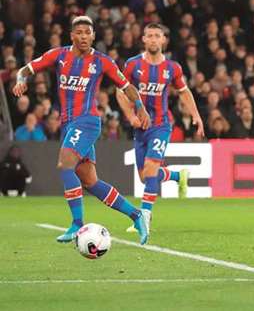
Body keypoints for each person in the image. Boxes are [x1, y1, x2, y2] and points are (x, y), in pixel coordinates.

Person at [11, 16, 151, 244]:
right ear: (72, 36)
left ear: (93, 35)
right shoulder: (59, 55)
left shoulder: (102, 61)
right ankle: (136, 215)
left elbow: (126, 86)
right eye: (79, 32)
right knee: (90, 181)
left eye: (88, 32)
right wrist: (20, 80)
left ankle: (77, 223)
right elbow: (26, 69)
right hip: (68, 125)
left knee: (66, 163)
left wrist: (140, 107)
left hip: (87, 121)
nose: (84, 36)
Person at [117, 23, 204, 233]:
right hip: (140, 128)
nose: (154, 39)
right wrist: (131, 116)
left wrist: (196, 116)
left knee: (150, 170)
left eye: (158, 36)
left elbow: (183, 92)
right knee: (146, 177)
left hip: (161, 125)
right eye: (150, 36)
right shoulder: (132, 65)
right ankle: (177, 176)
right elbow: (121, 92)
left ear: (163, 40)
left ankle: (144, 218)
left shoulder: (172, 68)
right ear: (144, 39)